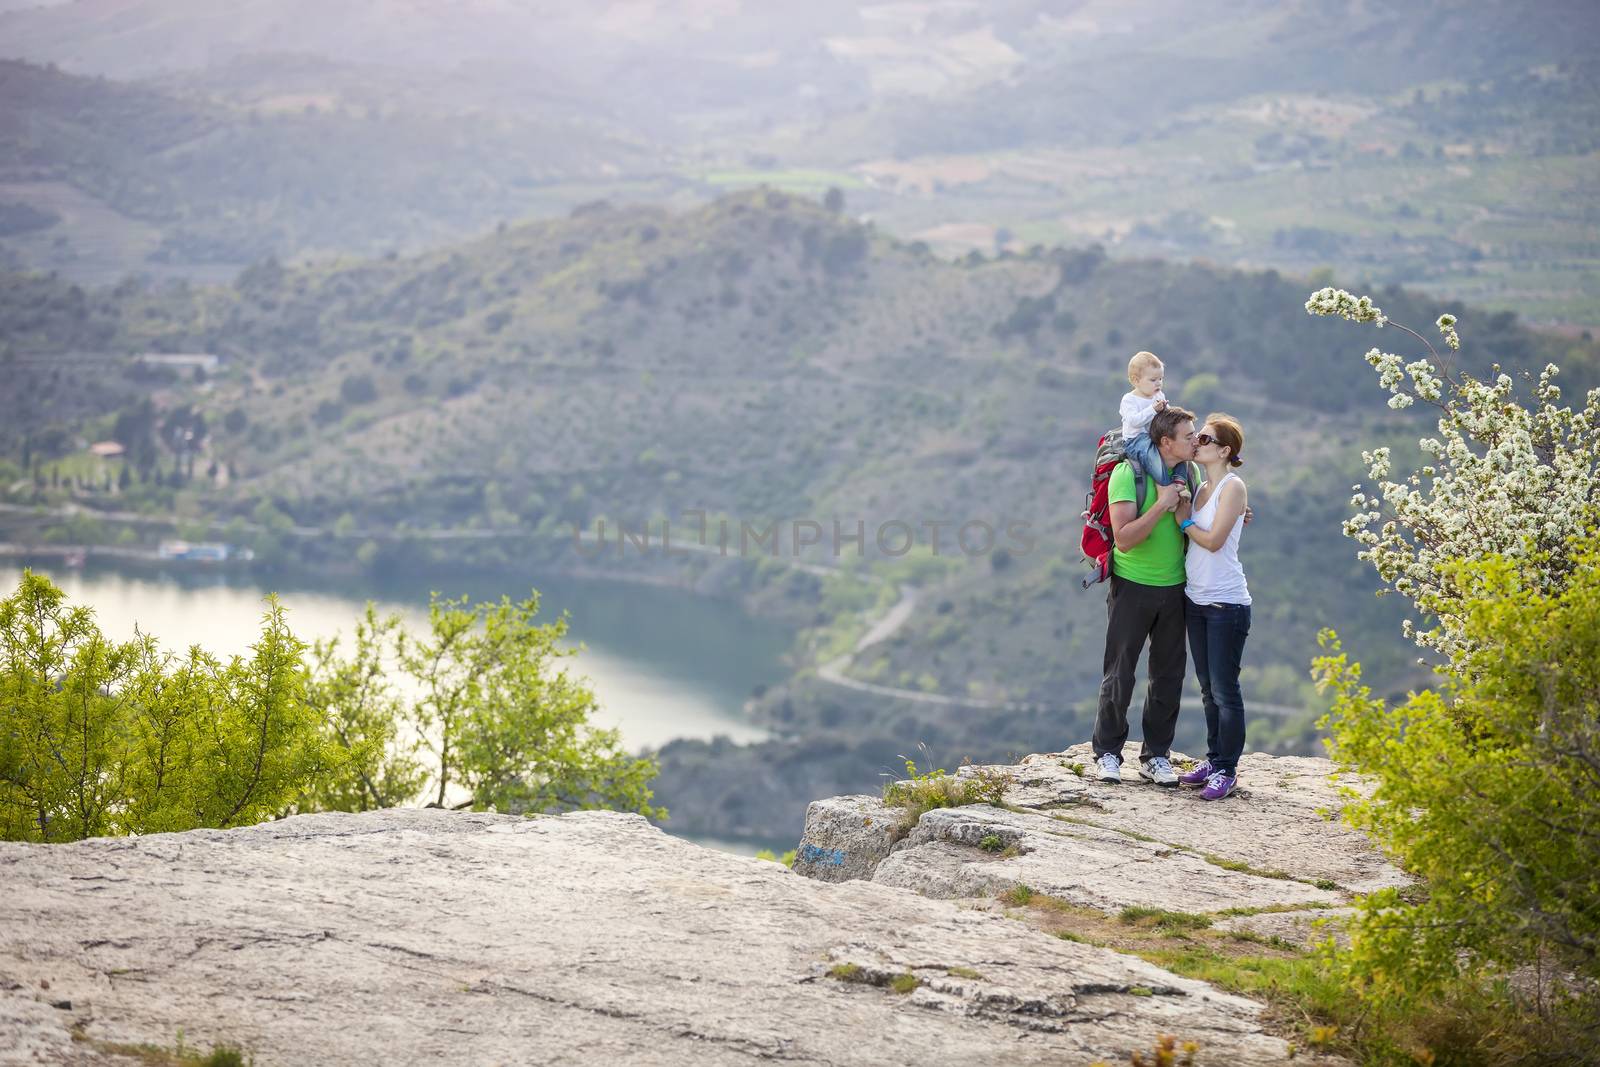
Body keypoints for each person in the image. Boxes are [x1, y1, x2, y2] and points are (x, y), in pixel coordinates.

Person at [1092, 405, 1197, 786]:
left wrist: (1237, 514)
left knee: (1168, 676)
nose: (1196, 440)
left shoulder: (1190, 471)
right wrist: (1161, 504)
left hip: (1177, 587)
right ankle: (1107, 753)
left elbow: (1196, 523)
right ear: (1165, 441)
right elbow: (1125, 539)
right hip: (1132, 586)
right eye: (1188, 435)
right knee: (1120, 673)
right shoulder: (1128, 473)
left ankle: (1156, 756)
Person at [1176, 414, 1251, 801]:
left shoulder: (1232, 487)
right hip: (1197, 600)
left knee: (1225, 689)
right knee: (1207, 689)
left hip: (1226, 603)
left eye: (1205, 437)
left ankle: (1227, 769)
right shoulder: (1201, 486)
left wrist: (1183, 521)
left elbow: (1214, 540)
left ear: (1224, 450)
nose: (1197, 441)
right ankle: (1214, 757)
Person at [1119, 351, 1190, 498]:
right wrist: (1153, 410)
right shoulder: (1129, 400)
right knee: (1151, 454)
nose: (1158, 383)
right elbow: (1134, 421)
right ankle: (1165, 485)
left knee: (1180, 447)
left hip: (1155, 435)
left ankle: (1180, 480)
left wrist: (1169, 412)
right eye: (1153, 380)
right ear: (1135, 380)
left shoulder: (1159, 395)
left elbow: (1166, 417)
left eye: (1161, 379)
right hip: (1136, 440)